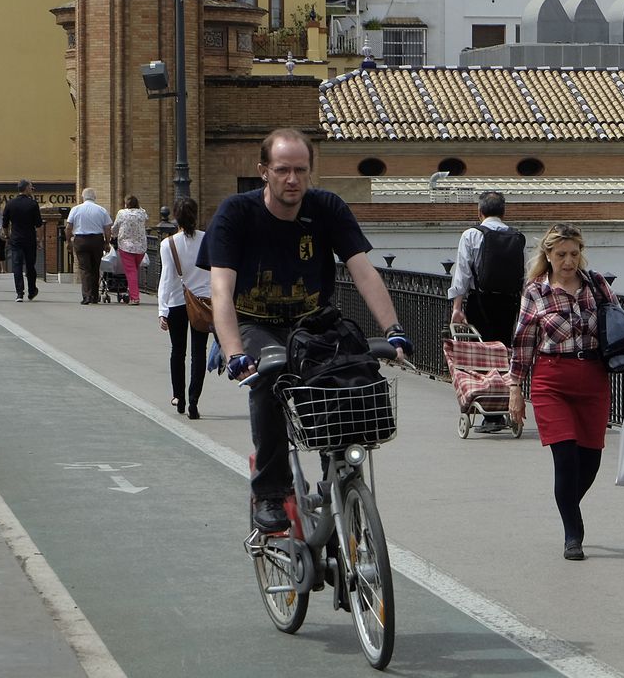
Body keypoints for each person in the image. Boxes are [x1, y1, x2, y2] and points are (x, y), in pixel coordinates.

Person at [200, 128, 412, 533]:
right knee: (270, 376)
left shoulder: (327, 208)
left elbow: (364, 272)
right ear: (264, 171)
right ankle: (271, 491)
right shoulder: (235, 214)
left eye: (300, 170)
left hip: (312, 322)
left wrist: (394, 329)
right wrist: (232, 352)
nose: (292, 179)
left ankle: (338, 473)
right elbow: (221, 292)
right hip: (253, 322)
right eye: (282, 170)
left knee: (347, 374)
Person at [509, 223, 624, 561]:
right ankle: (573, 532)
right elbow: (524, 340)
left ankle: (567, 503)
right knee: (565, 458)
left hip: (593, 378)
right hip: (550, 379)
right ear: (548, 256)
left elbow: (622, 329)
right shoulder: (535, 291)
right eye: (561, 255)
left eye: (574, 253)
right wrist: (514, 387)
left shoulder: (596, 285)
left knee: (591, 460)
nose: (569, 261)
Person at [448, 190, 526, 433]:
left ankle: (488, 411)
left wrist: (457, 307)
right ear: (504, 212)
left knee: (480, 357)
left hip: (481, 301)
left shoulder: (471, 234)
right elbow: (522, 276)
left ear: (479, 211)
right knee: (504, 355)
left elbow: (462, 273)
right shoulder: (516, 236)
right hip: (509, 303)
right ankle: (504, 409)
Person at [158, 197, 210, 419]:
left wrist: (162, 309)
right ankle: (194, 402)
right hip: (203, 302)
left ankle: (179, 396)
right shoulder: (208, 240)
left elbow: (167, 278)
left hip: (178, 302)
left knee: (177, 351)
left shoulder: (168, 244)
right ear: (195, 215)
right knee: (199, 353)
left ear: (175, 218)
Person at [66, 188, 112, 305]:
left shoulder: (76, 209)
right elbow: (107, 228)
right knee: (95, 267)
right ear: (94, 197)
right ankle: (94, 296)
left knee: (84, 268)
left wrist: (68, 241)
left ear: (83, 197)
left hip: (81, 240)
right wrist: (107, 242)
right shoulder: (101, 210)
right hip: (97, 240)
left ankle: (86, 296)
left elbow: (68, 227)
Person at [3, 180, 44, 302]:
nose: (32, 190)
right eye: (31, 188)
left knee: (17, 265)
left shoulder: (10, 203)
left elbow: (5, 224)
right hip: (29, 238)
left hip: (15, 238)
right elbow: (39, 225)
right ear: (26, 188)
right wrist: (39, 239)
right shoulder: (33, 204)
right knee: (30, 265)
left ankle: (19, 293)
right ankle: (32, 291)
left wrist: (7, 236)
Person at [112, 195, 150, 305]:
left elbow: (115, 228)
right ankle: (131, 291)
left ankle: (134, 297)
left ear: (126, 204)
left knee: (131, 271)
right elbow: (145, 215)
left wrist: (113, 235)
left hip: (126, 246)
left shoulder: (122, 213)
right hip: (141, 247)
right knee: (135, 270)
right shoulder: (142, 213)